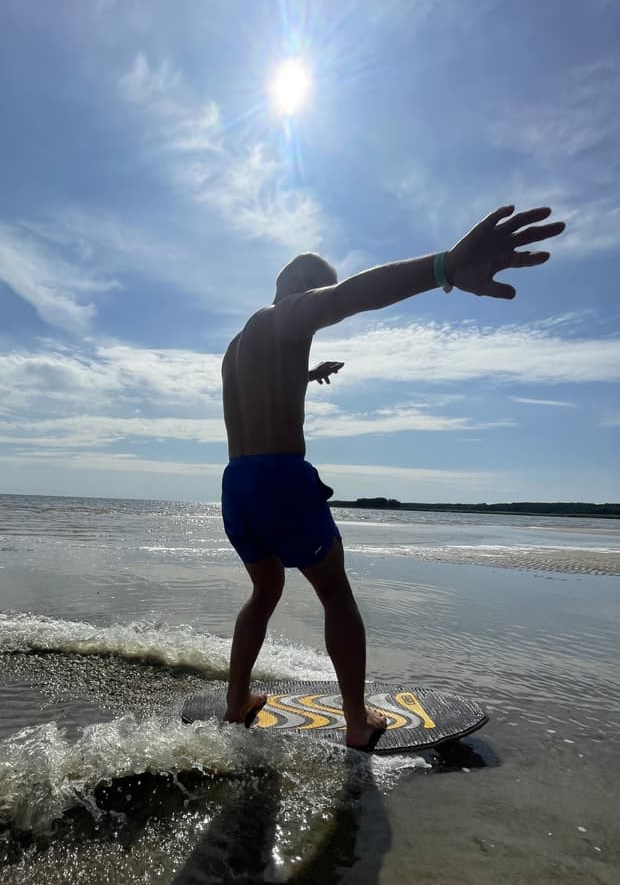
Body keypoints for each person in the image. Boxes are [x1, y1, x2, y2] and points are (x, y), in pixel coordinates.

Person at [220, 204, 565, 749]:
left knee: (265, 589)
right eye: (315, 302)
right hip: (280, 478)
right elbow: (349, 297)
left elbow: (259, 397)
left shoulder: (239, 347)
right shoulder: (286, 314)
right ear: (300, 290)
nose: (318, 321)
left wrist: (306, 374)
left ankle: (236, 700)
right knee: (335, 593)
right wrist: (444, 267)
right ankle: (357, 721)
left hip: (235, 484)